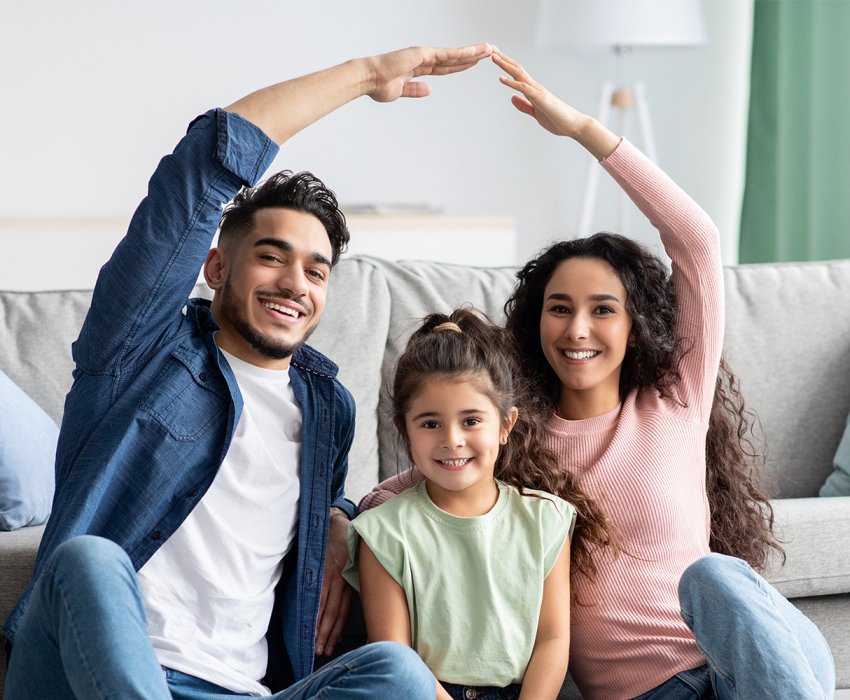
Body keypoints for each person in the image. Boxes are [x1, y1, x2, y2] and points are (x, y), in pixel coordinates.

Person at [2, 44, 494, 700]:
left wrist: (341, 515)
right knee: (87, 560)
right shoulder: (140, 349)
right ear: (215, 268)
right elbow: (203, 165)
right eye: (272, 256)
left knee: (398, 675)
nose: (295, 283)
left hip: (241, 689)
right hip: (89, 671)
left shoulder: (329, 408)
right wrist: (367, 76)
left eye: (316, 270)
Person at [363, 50, 836, 699]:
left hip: (745, 661)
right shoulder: (513, 440)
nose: (578, 330)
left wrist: (586, 131)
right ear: (536, 323)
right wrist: (337, 521)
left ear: (635, 324)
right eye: (560, 309)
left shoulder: (675, 400)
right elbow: (392, 494)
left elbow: (697, 242)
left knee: (714, 579)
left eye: (602, 310)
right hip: (651, 692)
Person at [344, 308, 587, 700]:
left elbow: (553, 640)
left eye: (471, 420)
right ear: (403, 431)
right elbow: (397, 659)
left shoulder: (547, 519)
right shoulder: (382, 531)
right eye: (430, 423)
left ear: (506, 425)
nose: (452, 439)